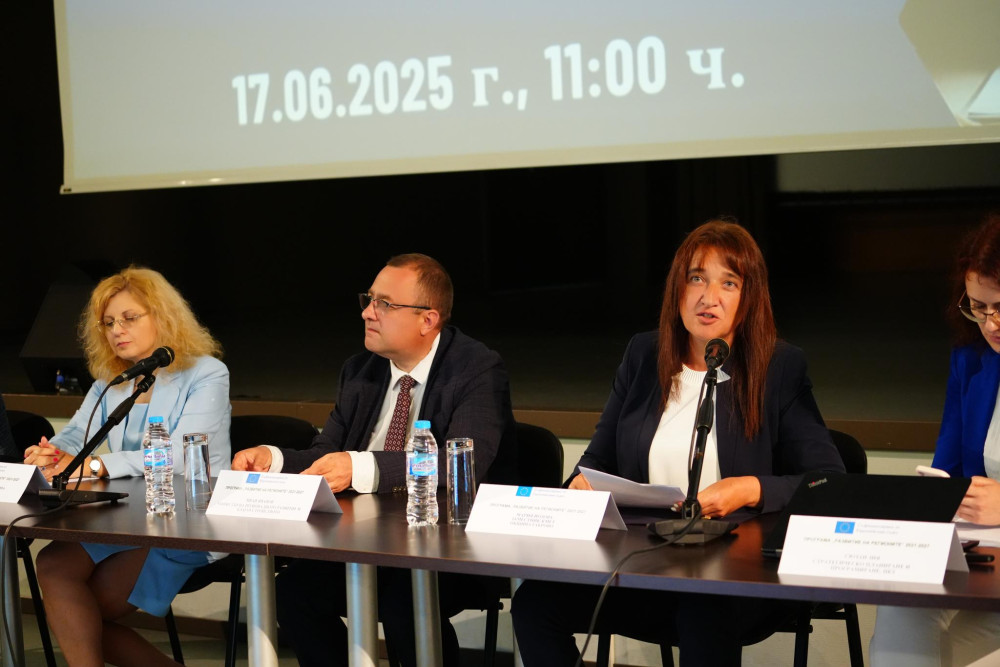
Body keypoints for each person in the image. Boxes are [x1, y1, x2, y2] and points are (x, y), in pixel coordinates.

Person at [511, 219, 845, 666]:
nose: (709, 297)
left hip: (738, 577)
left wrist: (751, 488)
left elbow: (828, 480)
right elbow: (597, 458)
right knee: (535, 603)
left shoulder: (779, 367)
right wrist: (581, 485)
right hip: (647, 562)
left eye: (729, 283)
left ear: (749, 298)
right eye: (697, 279)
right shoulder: (643, 355)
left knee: (703, 611)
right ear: (677, 290)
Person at [232, 252, 517, 667]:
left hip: (447, 544)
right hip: (363, 539)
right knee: (292, 594)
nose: (367, 312)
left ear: (427, 320)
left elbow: (460, 464)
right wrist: (271, 460)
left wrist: (362, 466)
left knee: (406, 602)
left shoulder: (475, 368)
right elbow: (326, 454)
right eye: (369, 299)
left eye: (384, 303)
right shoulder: (360, 371)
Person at [24, 266, 231, 667]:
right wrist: (51, 453)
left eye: (129, 318)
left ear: (163, 316)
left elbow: (177, 455)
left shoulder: (206, 373)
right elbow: (77, 435)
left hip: (187, 518)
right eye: (108, 323)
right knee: (52, 564)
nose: (117, 330)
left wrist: (96, 466)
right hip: (128, 517)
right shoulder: (111, 379)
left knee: (82, 612)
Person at [870, 212, 1000, 667]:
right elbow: (947, 471)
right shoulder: (972, 359)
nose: (991, 323)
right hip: (986, 561)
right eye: (979, 307)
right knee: (901, 610)